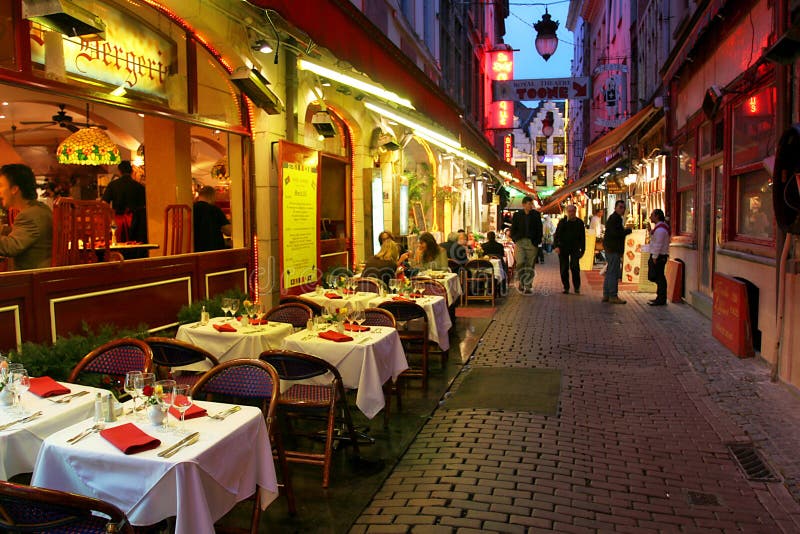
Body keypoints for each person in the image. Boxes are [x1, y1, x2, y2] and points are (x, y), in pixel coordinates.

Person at [0, 164, 53, 270]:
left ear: (14, 189)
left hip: (31, 279)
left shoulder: (29, 215)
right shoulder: (41, 209)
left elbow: (10, 247)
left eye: (1, 186)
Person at [102, 161, 146, 244]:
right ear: (132, 171)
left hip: (118, 221)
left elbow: (104, 203)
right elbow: (145, 205)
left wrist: (111, 217)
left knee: (119, 244)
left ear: (119, 171)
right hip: (137, 222)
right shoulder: (139, 187)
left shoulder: (113, 185)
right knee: (136, 245)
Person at [509, 196, 542, 293]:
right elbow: (513, 227)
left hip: (532, 242)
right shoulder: (517, 215)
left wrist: (537, 241)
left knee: (530, 264)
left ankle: (527, 285)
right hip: (520, 241)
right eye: (529, 204)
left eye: (532, 204)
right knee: (520, 263)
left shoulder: (536, 214)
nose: (531, 206)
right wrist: (514, 238)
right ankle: (521, 281)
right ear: (524, 205)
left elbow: (539, 228)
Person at [603, 200, 632, 304]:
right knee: (613, 272)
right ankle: (612, 295)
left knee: (610, 272)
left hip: (610, 248)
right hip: (613, 249)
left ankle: (606, 294)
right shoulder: (615, 218)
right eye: (620, 207)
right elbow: (616, 233)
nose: (622, 209)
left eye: (623, 207)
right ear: (615, 207)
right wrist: (627, 231)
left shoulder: (614, 218)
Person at [553, 204, 585, 294]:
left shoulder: (579, 222)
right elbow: (556, 235)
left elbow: (582, 237)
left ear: (575, 212)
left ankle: (577, 287)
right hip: (563, 248)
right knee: (564, 268)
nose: (571, 213)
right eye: (570, 211)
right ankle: (566, 287)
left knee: (575, 267)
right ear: (567, 212)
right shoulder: (562, 222)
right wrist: (556, 246)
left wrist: (583, 250)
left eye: (573, 211)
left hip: (575, 248)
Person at [193, 186, 231, 252]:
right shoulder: (215, 209)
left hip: (196, 251)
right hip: (215, 250)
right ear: (212, 196)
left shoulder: (192, 209)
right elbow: (228, 231)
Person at [647, 209, 670, 306]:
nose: (650, 217)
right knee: (656, 276)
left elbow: (658, 244)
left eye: (652, 215)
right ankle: (659, 297)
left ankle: (661, 298)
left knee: (658, 277)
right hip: (657, 255)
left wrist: (655, 257)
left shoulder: (661, 229)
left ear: (657, 216)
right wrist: (650, 231)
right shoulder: (658, 228)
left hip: (659, 256)